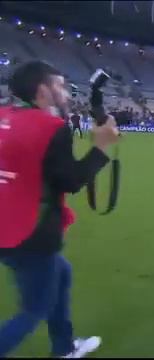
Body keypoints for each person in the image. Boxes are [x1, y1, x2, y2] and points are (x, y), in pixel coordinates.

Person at [0, 61, 120, 358]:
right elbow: (70, 181)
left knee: (61, 273)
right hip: (30, 233)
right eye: (60, 86)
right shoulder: (52, 127)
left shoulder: (5, 115)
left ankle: (64, 348)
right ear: (43, 91)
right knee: (33, 310)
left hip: (6, 226)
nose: (65, 93)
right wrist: (102, 147)